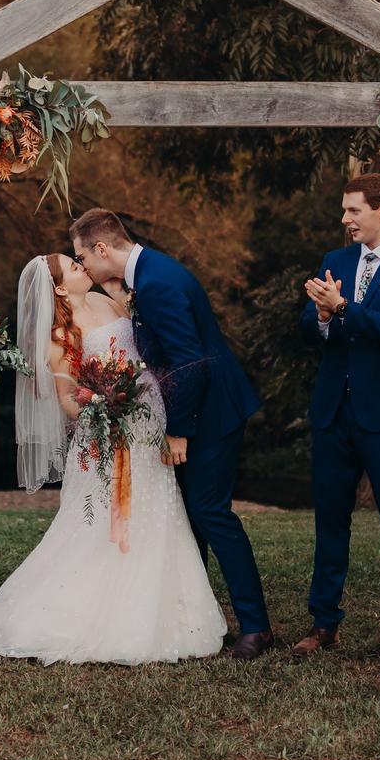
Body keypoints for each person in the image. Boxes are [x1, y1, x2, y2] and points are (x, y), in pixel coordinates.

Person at [0, 255, 227, 663]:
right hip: (107, 435)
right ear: (59, 288)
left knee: (158, 508)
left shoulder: (106, 301)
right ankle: (101, 609)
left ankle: (170, 606)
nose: (81, 267)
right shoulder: (59, 336)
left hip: (149, 423)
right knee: (104, 522)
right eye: (72, 267)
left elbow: (139, 350)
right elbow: (65, 399)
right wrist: (101, 408)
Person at [71, 208, 274, 659]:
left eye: (82, 256)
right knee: (192, 516)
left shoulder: (157, 282)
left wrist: (179, 431)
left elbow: (190, 362)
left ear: (102, 248)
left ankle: (257, 626)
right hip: (198, 410)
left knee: (211, 514)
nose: (82, 265)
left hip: (212, 412)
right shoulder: (149, 272)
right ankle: (194, 617)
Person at [294, 173, 380, 663]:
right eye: (344, 210)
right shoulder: (336, 260)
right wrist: (323, 317)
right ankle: (324, 622)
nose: (345, 219)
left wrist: (343, 307)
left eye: (353, 210)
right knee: (330, 519)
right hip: (335, 411)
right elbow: (308, 326)